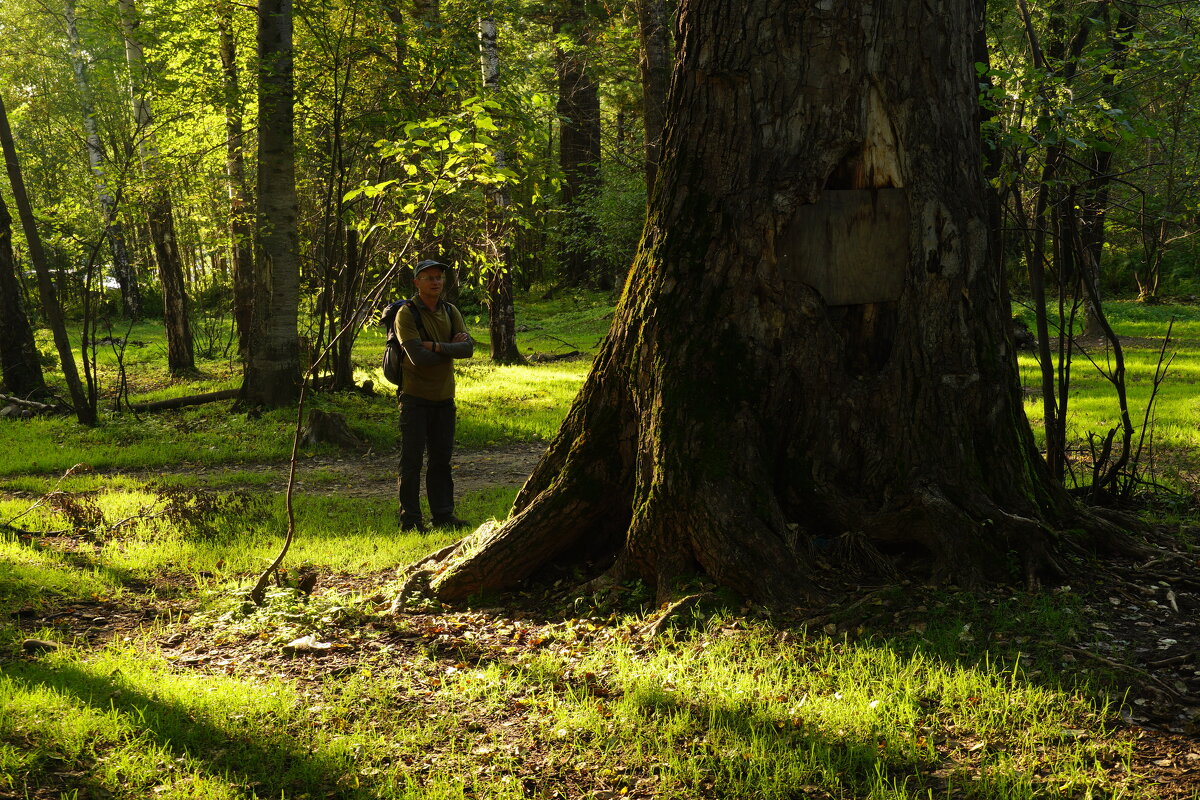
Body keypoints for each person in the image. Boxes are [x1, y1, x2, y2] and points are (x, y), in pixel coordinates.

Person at [395, 259, 474, 532]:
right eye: (428, 277)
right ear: (416, 282)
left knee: (441, 461)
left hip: (445, 398)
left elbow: (467, 350)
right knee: (412, 462)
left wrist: (433, 346)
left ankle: (443, 515)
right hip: (414, 398)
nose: (435, 282)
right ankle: (411, 521)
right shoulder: (407, 313)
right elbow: (417, 357)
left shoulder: (451, 311)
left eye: (439, 277)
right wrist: (447, 348)